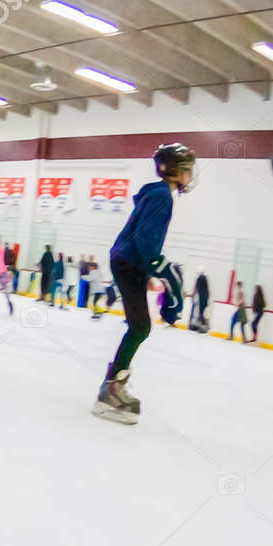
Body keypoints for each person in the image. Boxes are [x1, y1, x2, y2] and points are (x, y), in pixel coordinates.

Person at [94, 142, 193, 423]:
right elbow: (145, 240)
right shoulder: (162, 196)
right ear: (172, 169)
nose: (190, 174)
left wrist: (154, 270)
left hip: (129, 262)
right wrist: (163, 270)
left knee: (140, 327)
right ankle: (111, 390)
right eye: (187, 168)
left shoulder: (160, 193)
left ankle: (113, 384)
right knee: (139, 327)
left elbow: (144, 241)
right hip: (128, 263)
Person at [188, 267, 209, 332]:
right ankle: (199, 326)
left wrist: (193, 295)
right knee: (200, 313)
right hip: (203, 298)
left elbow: (196, 288)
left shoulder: (200, 278)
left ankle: (198, 326)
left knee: (198, 312)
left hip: (199, 298)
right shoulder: (205, 278)